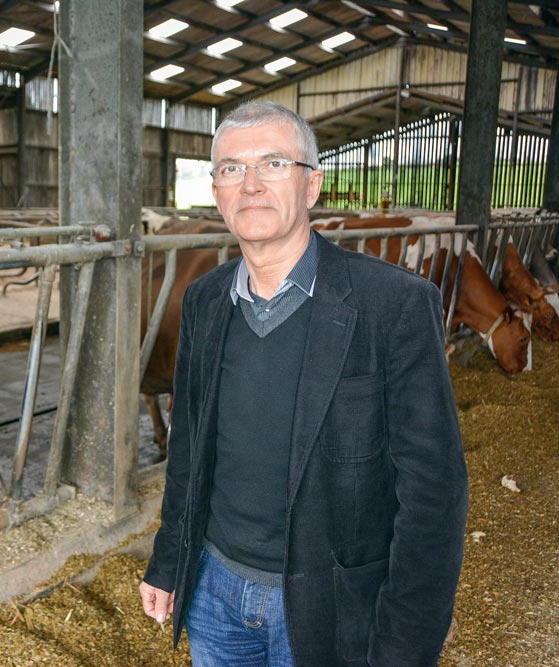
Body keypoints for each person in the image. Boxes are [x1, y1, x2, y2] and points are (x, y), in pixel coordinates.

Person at [138, 100, 468, 667]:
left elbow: (434, 494)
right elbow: (189, 445)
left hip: (331, 602)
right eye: (231, 169)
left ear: (312, 186)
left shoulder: (395, 304)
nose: (251, 184)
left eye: (273, 164)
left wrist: (405, 645)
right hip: (215, 591)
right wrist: (170, 560)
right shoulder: (206, 300)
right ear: (216, 193)